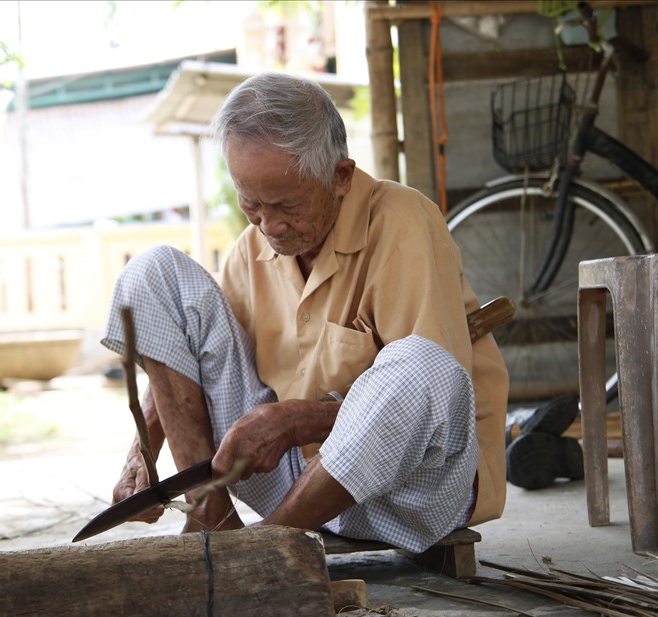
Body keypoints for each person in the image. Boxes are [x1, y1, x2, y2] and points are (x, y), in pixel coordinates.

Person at [100, 71, 510, 553]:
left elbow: (432, 401)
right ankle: (212, 521)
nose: (268, 225)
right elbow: (182, 353)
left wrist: (299, 421)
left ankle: (266, 550)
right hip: (289, 478)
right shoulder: (252, 249)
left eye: (286, 205)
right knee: (151, 272)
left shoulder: (402, 222)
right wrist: (143, 451)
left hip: (409, 493)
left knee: (423, 363)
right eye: (250, 203)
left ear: (340, 177)